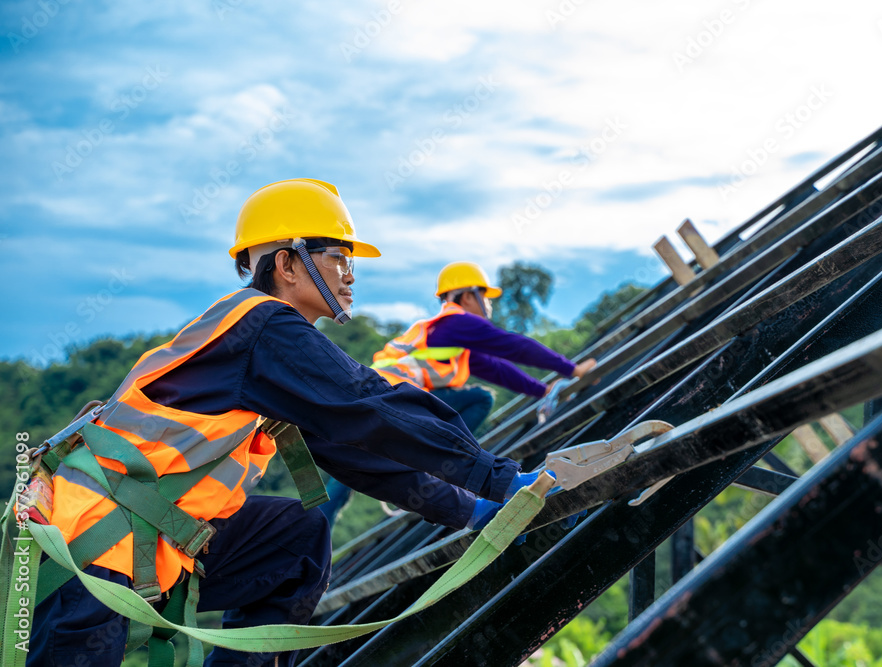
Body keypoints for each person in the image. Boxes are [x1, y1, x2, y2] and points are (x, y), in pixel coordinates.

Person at [29, 179, 535, 667]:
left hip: (144, 539)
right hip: (95, 546)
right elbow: (373, 404)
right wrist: (503, 479)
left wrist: (473, 512)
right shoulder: (264, 326)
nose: (350, 274)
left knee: (297, 540)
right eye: (337, 256)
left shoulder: (264, 353)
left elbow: (357, 452)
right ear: (288, 263)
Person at [372, 261, 597, 432]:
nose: (488, 304)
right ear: (469, 296)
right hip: (398, 400)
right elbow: (515, 346)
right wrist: (572, 370)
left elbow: (496, 369)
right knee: (482, 398)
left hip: (379, 399)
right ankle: (445, 453)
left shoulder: (446, 335)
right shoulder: (458, 322)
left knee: (361, 457)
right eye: (485, 297)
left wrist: (543, 391)